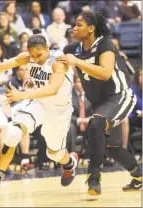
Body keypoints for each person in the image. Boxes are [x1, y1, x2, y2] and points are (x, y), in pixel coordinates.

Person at [0, 28, 78, 203]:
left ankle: (69, 163)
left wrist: (21, 95)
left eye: (39, 55)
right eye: (32, 56)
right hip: (37, 103)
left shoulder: (58, 61)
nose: (35, 59)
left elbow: (52, 89)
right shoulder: (29, 56)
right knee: (14, 132)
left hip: (58, 110)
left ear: (46, 49)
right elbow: (1, 66)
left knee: (54, 153)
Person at [56, 11, 142, 195]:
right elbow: (54, 59)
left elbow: (105, 72)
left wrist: (76, 61)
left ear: (91, 28)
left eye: (79, 24)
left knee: (96, 123)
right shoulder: (74, 49)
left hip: (119, 96)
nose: (74, 27)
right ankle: (139, 177)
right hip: (100, 102)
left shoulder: (105, 44)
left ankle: (93, 178)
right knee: (112, 148)